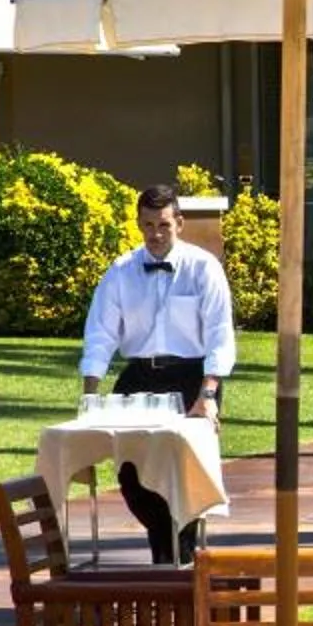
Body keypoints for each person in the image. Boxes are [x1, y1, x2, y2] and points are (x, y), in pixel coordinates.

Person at [80, 182, 236, 563]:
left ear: (179, 223)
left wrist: (209, 393)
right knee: (132, 477)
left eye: (163, 224)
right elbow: (100, 333)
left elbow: (219, 334)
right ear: (139, 224)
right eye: (148, 225)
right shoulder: (121, 270)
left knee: (184, 475)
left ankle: (176, 565)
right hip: (138, 379)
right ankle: (169, 556)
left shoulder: (204, 269)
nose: (155, 233)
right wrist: (90, 393)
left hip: (191, 379)